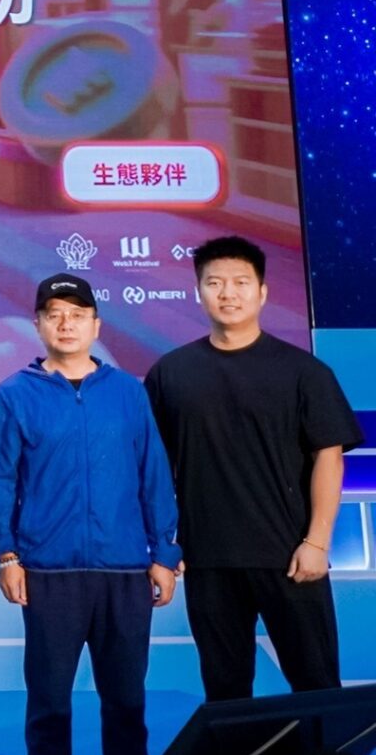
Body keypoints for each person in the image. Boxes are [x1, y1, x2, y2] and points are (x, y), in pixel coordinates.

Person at [0, 274, 179, 755]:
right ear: (39, 325)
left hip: (125, 572)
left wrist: (164, 554)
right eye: (53, 313)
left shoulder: (128, 393)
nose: (65, 322)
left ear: (96, 324)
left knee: (126, 700)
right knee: (49, 698)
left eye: (76, 313)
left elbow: (153, 473)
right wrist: (7, 554)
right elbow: (0, 479)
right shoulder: (15, 394)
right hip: (49, 572)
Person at [145, 235, 358, 701]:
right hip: (209, 559)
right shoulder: (171, 373)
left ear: (262, 292)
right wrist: (163, 547)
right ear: (198, 292)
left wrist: (317, 542)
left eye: (241, 282)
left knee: (317, 685)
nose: (228, 293)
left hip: (290, 556)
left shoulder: (304, 372)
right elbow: (153, 468)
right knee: (225, 691)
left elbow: (329, 456)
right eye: (215, 283)